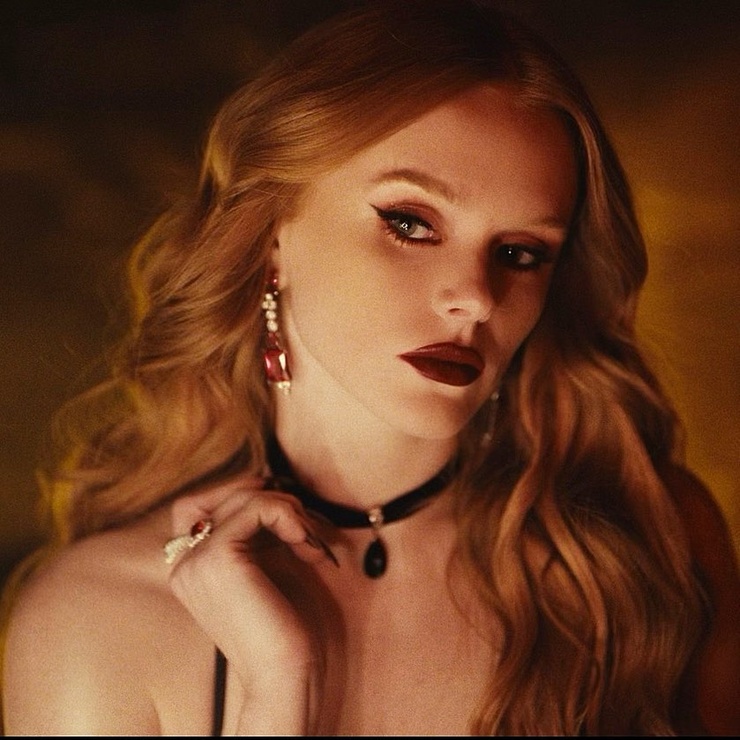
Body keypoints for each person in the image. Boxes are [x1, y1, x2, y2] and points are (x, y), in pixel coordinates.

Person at [1, 0, 738, 734]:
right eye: (411, 223)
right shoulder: (97, 621)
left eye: (520, 253)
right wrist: (277, 685)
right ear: (272, 235)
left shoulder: (646, 545)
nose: (476, 298)